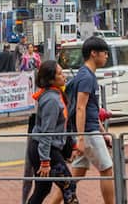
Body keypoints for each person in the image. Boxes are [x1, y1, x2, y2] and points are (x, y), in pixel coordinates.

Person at [68, 38, 117, 204]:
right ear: (93, 53)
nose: (106, 56)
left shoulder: (87, 75)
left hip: (90, 130)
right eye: (104, 53)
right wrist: (81, 138)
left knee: (75, 177)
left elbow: (92, 110)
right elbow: (81, 108)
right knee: (107, 169)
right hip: (88, 132)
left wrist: (103, 132)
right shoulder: (86, 77)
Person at [23, 60, 77, 204]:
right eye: (59, 73)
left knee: (43, 189)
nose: (63, 75)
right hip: (45, 151)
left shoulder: (56, 94)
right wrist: (45, 161)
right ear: (51, 79)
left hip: (45, 149)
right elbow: (46, 133)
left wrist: (73, 145)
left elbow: (66, 125)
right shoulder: (51, 100)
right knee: (68, 184)